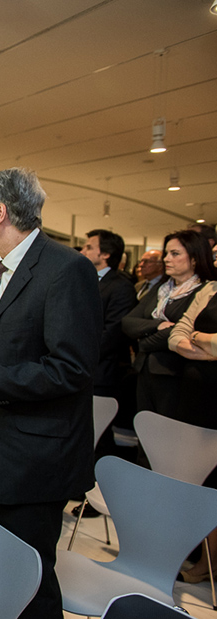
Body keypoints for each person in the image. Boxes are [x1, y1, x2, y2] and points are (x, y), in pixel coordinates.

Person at [0, 168, 101, 619]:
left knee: (29, 583)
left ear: (0, 212)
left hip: (31, 461)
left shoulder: (65, 269)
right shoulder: (2, 268)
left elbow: (71, 368)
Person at [123, 231, 216, 419]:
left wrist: (144, 343)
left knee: (169, 437)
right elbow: (128, 322)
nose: (166, 259)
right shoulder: (161, 289)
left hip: (176, 373)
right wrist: (157, 326)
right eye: (166, 253)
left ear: (194, 258)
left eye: (175, 254)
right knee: (145, 432)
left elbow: (183, 330)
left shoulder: (204, 290)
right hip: (145, 370)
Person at [168, 277, 217, 585]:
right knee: (196, 481)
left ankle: (208, 564)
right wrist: (205, 343)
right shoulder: (211, 288)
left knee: (215, 484)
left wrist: (199, 338)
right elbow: (176, 334)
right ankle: (197, 551)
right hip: (196, 399)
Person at [81, 229, 136, 403]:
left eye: (89, 247)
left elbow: (113, 333)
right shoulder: (84, 280)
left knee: (99, 426)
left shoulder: (121, 287)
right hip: (78, 368)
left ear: (105, 254)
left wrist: (78, 354)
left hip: (101, 371)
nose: (83, 252)